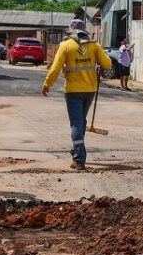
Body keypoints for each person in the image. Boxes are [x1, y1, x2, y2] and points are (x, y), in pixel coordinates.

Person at [42, 26, 112, 170]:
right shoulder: (94, 45)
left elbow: (55, 68)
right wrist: (97, 59)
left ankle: (79, 159)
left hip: (73, 91)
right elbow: (108, 64)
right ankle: (77, 150)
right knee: (81, 122)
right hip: (90, 90)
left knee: (76, 123)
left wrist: (47, 84)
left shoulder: (66, 45)